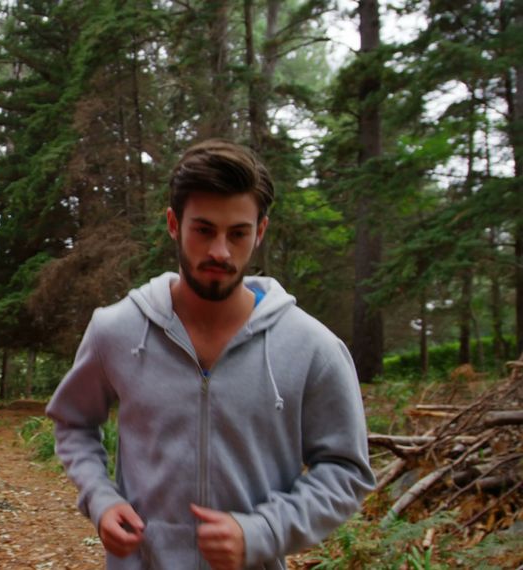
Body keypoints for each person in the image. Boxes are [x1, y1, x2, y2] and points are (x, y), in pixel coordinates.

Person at [45, 139, 375, 569]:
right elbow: (73, 423)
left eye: (238, 233)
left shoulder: (314, 348)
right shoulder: (116, 329)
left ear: (260, 232)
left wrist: (264, 531)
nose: (220, 251)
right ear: (173, 224)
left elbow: (346, 471)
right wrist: (101, 497)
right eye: (203, 230)